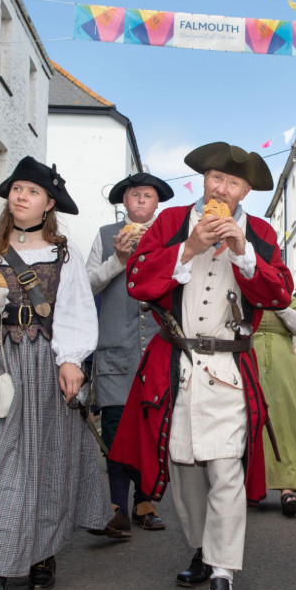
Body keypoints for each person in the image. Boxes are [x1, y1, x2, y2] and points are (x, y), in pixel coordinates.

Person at [107, 142, 293, 590]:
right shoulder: (169, 222)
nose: (221, 189)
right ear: (203, 181)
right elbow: (139, 283)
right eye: (214, 179)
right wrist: (188, 248)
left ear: (245, 191)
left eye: (232, 184)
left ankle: (222, 581)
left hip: (231, 369)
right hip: (178, 366)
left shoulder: (261, 233)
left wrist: (242, 251)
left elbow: (279, 292)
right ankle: (201, 547)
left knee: (226, 470)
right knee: (185, 472)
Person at [0, 157, 113, 590]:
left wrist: (71, 360)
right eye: (16, 189)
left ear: (48, 205)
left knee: (44, 461)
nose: (21, 196)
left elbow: (78, 313)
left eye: (32, 191)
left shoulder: (64, 255)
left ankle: (41, 552)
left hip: (43, 365)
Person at [86, 172, 174, 535]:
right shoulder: (106, 235)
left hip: (157, 348)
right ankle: (117, 507)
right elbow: (88, 283)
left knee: (152, 429)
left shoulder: (170, 234)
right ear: (125, 202)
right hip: (115, 351)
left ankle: (145, 501)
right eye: (135, 195)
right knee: (115, 429)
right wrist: (118, 260)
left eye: (148, 196)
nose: (141, 201)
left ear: (157, 203)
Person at [253, 296, 296, 515]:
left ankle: (287, 487)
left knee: (285, 423)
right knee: (247, 423)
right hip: (246, 360)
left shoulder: (285, 294)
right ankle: (245, 487)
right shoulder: (240, 288)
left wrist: (279, 302)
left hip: (282, 367)